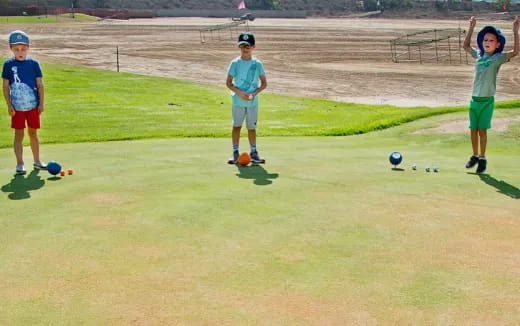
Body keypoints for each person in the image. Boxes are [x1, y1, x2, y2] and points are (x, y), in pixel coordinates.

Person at [462, 16, 519, 174]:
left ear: (498, 44)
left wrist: (515, 30)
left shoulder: (498, 58)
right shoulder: (478, 55)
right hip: (474, 99)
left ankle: (482, 158)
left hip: (487, 101)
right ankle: (474, 155)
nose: (487, 42)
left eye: (491, 40)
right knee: (473, 129)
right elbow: (465, 46)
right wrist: (472, 27)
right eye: (485, 39)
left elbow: (515, 52)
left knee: (482, 130)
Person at [2, 30, 47, 175]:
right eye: (16, 49)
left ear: (28, 48)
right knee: (19, 135)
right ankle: (20, 163)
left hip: (33, 106)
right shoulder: (8, 65)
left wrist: (41, 103)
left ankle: (37, 161)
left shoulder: (34, 64)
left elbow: (40, 84)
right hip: (17, 108)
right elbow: (5, 86)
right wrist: (9, 105)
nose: (20, 52)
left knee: (33, 133)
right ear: (11, 49)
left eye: (23, 49)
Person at [226, 32, 267, 164]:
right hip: (238, 101)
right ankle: (235, 152)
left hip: (252, 102)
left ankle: (254, 152)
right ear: (239, 47)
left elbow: (264, 83)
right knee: (236, 126)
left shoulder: (258, 64)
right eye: (242, 45)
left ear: (253, 47)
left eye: (247, 46)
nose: (245, 48)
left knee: (251, 128)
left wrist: (254, 94)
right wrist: (239, 93)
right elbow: (228, 83)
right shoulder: (235, 63)